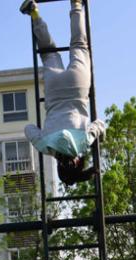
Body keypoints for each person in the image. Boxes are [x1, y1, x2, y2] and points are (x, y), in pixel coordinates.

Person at [20, 0, 106, 185]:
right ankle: (34, 13)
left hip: (77, 87)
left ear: (77, 163)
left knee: (79, 44)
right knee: (48, 52)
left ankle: (76, 4)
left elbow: (99, 124)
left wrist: (101, 136)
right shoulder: (46, 146)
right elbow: (28, 128)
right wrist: (44, 135)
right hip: (54, 89)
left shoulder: (83, 142)